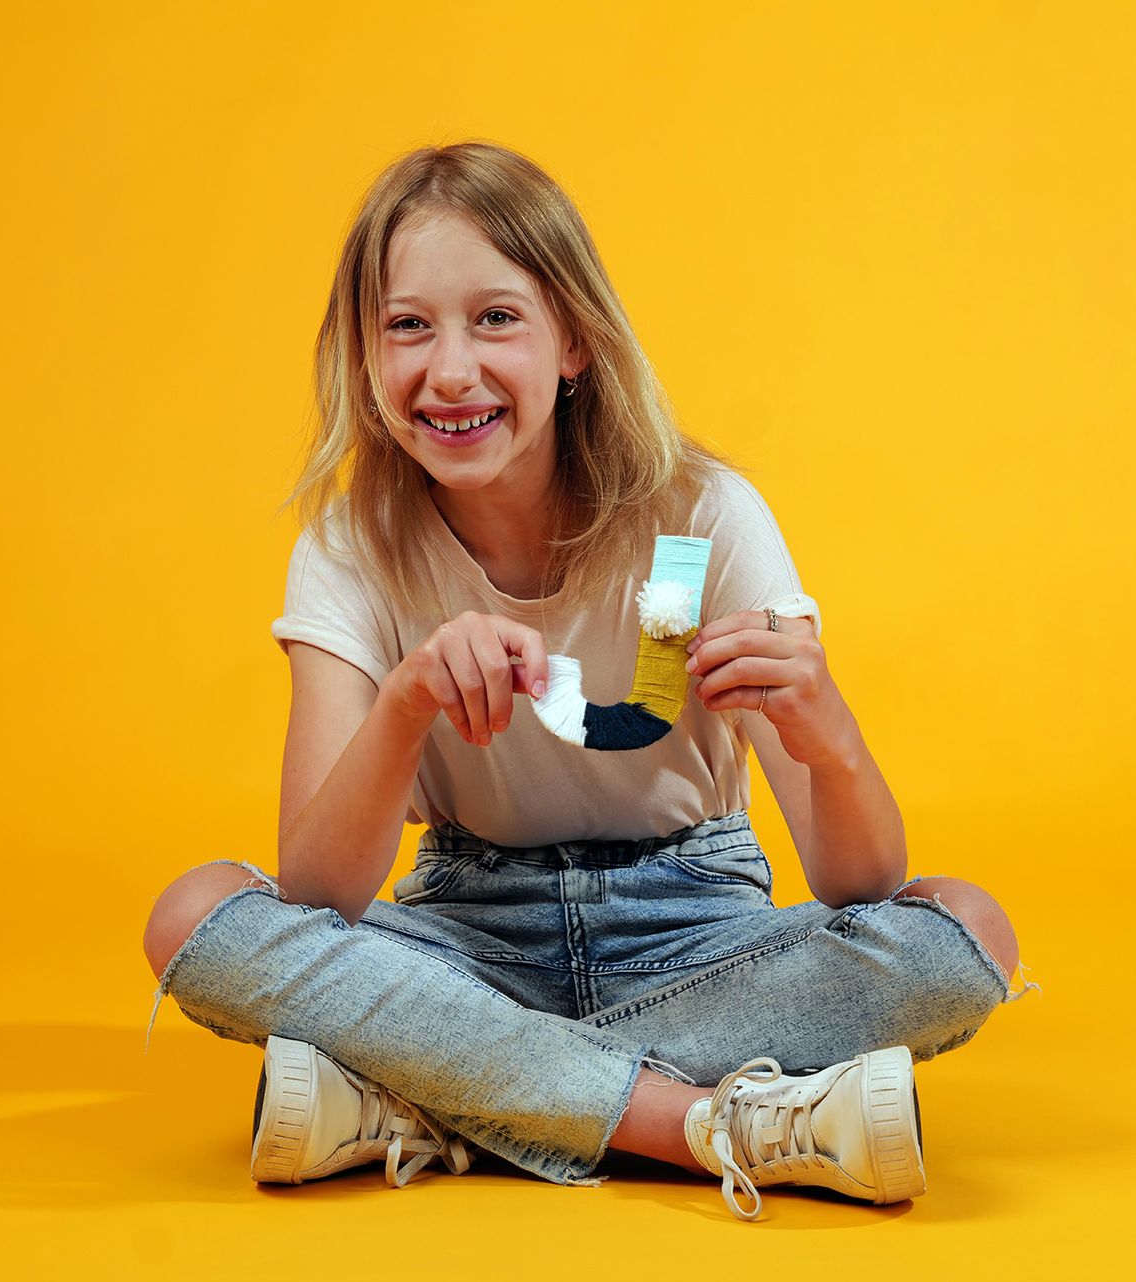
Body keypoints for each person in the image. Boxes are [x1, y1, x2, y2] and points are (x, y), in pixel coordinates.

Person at [140, 141, 1030, 1221]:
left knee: (964, 931)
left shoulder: (695, 519)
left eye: (496, 319)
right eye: (408, 325)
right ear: (364, 358)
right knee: (196, 915)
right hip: (469, 938)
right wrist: (407, 702)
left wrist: (831, 734)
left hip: (696, 931)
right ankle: (707, 1124)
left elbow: (862, 883)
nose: (450, 370)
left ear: (574, 341)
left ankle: (431, 1093)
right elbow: (319, 890)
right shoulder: (351, 553)